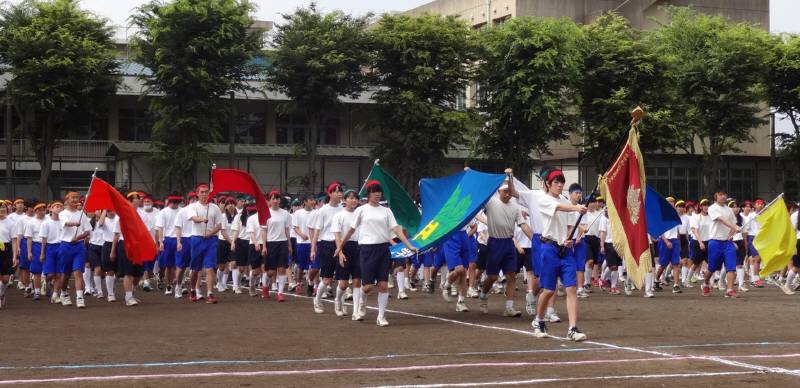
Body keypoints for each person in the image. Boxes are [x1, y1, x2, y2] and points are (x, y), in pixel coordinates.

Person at [336, 180, 417, 326]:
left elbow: (396, 230)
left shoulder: (386, 211)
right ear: (368, 194)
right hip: (366, 250)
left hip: (382, 250)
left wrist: (409, 245)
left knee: (383, 285)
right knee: (367, 287)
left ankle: (381, 316)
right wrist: (340, 246)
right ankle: (362, 301)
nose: (377, 194)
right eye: (374, 191)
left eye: (379, 191)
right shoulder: (361, 210)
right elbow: (351, 230)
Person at [531, 168, 587, 341]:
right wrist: (577, 207)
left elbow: (569, 225)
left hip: (566, 251)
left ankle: (572, 328)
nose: (560, 185)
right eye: (556, 182)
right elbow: (559, 208)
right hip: (549, 249)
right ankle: (539, 320)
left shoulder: (565, 201)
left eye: (561, 182)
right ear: (548, 184)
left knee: (571, 288)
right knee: (548, 290)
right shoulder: (544, 200)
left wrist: (569, 238)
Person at [476, 169, 534, 318]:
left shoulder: (515, 208)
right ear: (499, 191)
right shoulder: (491, 203)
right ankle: (483, 295)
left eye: (509, 191)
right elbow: (477, 196)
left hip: (508, 243)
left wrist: (535, 239)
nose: (508, 194)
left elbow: (523, 225)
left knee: (511, 275)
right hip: (494, 243)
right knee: (493, 276)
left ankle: (509, 307)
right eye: (505, 192)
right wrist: (471, 176)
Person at [310, 183, 344, 314]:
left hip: (341, 244)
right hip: (326, 245)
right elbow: (317, 231)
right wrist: (313, 248)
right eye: (336, 191)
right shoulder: (322, 211)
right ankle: (317, 300)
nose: (339, 193)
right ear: (329, 194)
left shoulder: (343, 209)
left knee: (342, 278)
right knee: (327, 278)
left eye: (340, 191)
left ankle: (339, 303)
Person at [186, 183, 223, 304]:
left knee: (209, 267)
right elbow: (193, 218)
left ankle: (210, 294)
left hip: (211, 240)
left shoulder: (215, 208)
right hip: (197, 239)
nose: (204, 194)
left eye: (206, 192)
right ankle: (192, 290)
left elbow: (219, 225)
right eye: (201, 192)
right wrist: (202, 219)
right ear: (197, 194)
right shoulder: (193, 206)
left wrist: (211, 232)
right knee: (195, 269)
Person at [57, 192, 92, 308]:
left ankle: (80, 297)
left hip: (78, 246)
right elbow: (66, 223)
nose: (75, 199)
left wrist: (78, 237)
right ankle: (64, 293)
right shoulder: (62, 214)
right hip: (65, 245)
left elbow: (87, 231)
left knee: (78, 272)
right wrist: (74, 223)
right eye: (73, 197)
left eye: (77, 197)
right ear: (66, 200)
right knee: (66, 274)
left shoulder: (82, 214)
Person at [703, 190, 739, 298]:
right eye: (720, 195)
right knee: (712, 268)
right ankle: (705, 283)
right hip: (715, 242)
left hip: (727, 243)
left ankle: (729, 289)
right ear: (716, 196)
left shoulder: (729, 210)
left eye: (724, 194)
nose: (723, 196)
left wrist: (731, 234)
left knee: (731, 267)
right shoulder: (712, 208)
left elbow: (734, 224)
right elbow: (721, 220)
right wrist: (733, 227)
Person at [332, 189, 361, 318]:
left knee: (357, 282)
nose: (353, 200)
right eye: (350, 198)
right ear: (344, 200)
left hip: (359, 248)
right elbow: (337, 236)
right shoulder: (339, 215)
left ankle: (355, 311)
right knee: (343, 284)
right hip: (344, 247)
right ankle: (338, 300)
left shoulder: (360, 214)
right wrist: (340, 252)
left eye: (355, 198)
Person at [263, 190, 292, 302]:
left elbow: (287, 230)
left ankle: (280, 293)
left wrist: (289, 244)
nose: (275, 201)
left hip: (282, 243)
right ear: (269, 200)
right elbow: (264, 231)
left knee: (282, 268)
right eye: (273, 198)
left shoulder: (285, 214)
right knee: (270, 272)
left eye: (277, 198)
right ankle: (265, 286)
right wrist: (264, 246)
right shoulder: (265, 213)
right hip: (270, 243)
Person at [155, 196, 181, 296]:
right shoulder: (163, 212)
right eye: (173, 202)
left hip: (179, 239)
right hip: (168, 240)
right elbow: (160, 228)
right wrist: (160, 242)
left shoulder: (181, 211)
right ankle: (168, 285)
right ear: (169, 202)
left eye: (177, 202)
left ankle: (179, 284)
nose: (175, 204)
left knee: (179, 265)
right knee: (168, 266)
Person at [174, 192, 197, 298]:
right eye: (192, 199)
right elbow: (178, 227)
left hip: (197, 239)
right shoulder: (182, 212)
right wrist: (178, 242)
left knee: (196, 267)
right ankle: (178, 286)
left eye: (195, 199)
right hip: (185, 240)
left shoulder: (200, 211)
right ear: (188, 200)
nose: (194, 201)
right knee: (181, 266)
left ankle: (195, 289)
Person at [40, 202, 64, 304]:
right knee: (50, 274)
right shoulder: (46, 223)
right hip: (50, 247)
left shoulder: (63, 222)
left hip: (61, 247)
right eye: (56, 206)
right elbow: (44, 239)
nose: (58, 208)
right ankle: (45, 281)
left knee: (59, 273)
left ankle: (55, 295)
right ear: (51, 209)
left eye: (60, 207)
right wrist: (42, 253)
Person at [292, 195, 316, 295]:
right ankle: (298, 283)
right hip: (302, 243)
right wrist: (302, 235)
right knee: (301, 265)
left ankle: (313, 284)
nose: (313, 201)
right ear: (305, 201)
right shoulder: (298, 213)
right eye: (311, 199)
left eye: (314, 200)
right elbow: (295, 227)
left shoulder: (316, 213)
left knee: (314, 265)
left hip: (314, 242)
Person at [24, 203, 47, 300]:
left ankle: (47, 285)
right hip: (36, 245)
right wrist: (29, 252)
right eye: (40, 210)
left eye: (44, 209)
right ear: (36, 211)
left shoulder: (48, 220)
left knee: (50, 271)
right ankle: (37, 291)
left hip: (49, 245)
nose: (43, 212)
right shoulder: (31, 223)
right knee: (37, 270)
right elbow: (29, 238)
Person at [216, 198, 237, 293]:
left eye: (233, 203)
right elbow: (223, 232)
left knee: (233, 263)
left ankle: (229, 284)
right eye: (228, 204)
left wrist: (234, 242)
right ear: (226, 206)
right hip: (223, 242)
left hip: (233, 242)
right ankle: (219, 282)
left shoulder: (238, 216)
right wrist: (230, 242)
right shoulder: (223, 216)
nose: (231, 205)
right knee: (222, 266)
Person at [97, 210, 118, 302]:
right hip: (107, 245)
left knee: (118, 272)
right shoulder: (104, 220)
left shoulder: (118, 219)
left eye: (112, 210)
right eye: (108, 211)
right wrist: (104, 210)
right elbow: (100, 224)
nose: (111, 212)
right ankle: (110, 294)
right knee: (109, 270)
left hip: (119, 244)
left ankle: (112, 289)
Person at [0, 204, 15, 309]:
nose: (2, 209)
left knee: (5, 279)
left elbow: (14, 240)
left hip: (7, 249)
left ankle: (2, 293)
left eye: (4, 207)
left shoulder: (11, 223)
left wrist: (14, 255)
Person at [782, 207, 799, 295]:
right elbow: (792, 231)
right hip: (798, 241)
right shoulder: (795, 215)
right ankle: (787, 285)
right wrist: (793, 246)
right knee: (796, 267)